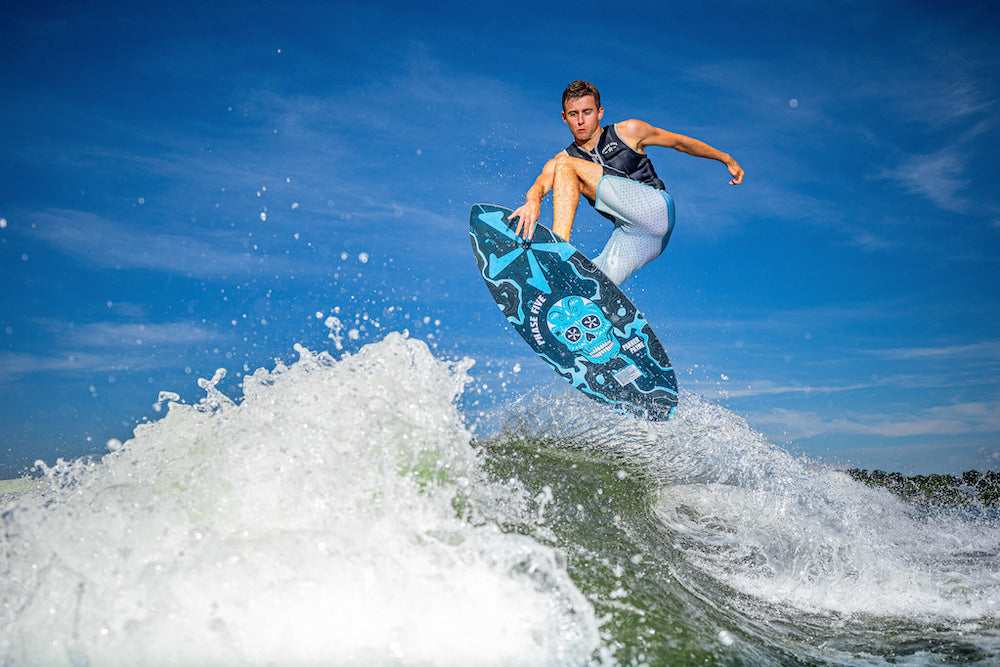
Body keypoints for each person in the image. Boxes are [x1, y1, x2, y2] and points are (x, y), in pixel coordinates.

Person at [509, 80, 744, 286]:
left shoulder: (628, 131)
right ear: (564, 117)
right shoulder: (564, 158)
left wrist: (726, 158)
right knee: (591, 283)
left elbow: (679, 142)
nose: (581, 121)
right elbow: (541, 183)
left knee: (565, 166)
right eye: (573, 114)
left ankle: (557, 251)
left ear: (600, 112)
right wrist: (532, 201)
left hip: (656, 209)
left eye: (587, 112)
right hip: (638, 237)